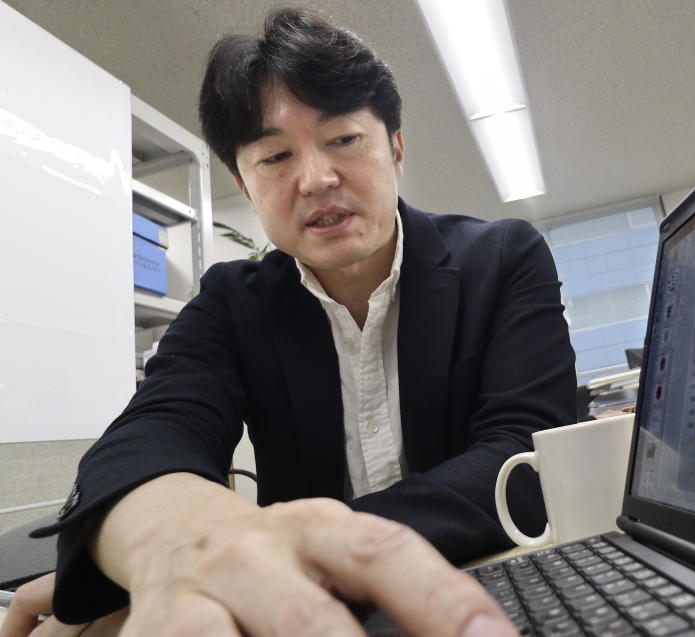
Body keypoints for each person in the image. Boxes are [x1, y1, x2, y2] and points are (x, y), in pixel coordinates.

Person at [4, 7, 576, 636]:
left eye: (344, 140)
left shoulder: (502, 259)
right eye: (275, 157)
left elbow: (526, 458)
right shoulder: (231, 301)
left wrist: (282, 554)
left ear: (396, 148)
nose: (316, 178)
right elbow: (157, 428)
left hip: (489, 579)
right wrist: (165, 553)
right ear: (246, 188)